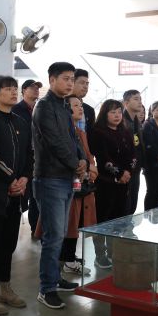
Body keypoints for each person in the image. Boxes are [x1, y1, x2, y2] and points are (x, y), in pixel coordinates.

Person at [33, 62, 86, 310]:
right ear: (52, 80)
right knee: (53, 236)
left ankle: (55, 278)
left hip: (65, 177)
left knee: (60, 232)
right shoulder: (43, 107)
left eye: (72, 79)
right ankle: (46, 289)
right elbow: (54, 141)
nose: (69, 83)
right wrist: (76, 163)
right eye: (65, 78)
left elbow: (72, 137)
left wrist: (82, 159)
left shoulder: (64, 105)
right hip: (50, 178)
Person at [0, 75, 33, 316]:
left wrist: (24, 179)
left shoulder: (20, 121)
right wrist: (11, 179)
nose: (13, 92)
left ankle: (5, 288)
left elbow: (30, 154)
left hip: (17, 193)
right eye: (7, 89)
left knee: (8, 244)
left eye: (15, 89)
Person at [90, 99, 135, 268]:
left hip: (124, 182)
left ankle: (113, 252)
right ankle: (100, 255)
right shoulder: (98, 132)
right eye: (112, 112)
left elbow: (133, 155)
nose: (117, 115)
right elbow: (103, 158)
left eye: (119, 112)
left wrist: (128, 172)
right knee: (103, 219)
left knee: (119, 218)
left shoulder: (125, 131)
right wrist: (120, 173)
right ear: (104, 114)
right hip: (105, 182)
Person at [58, 95, 98, 276]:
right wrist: (85, 168)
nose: (81, 108)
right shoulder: (62, 131)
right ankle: (67, 260)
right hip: (68, 182)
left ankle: (69, 257)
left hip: (82, 183)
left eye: (81, 105)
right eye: (76, 105)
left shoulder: (80, 131)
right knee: (69, 223)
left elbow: (88, 155)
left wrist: (91, 169)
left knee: (76, 222)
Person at [12, 78, 42, 239]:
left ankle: (35, 228)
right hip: (22, 158)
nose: (36, 90)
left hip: (38, 157)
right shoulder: (16, 110)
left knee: (36, 195)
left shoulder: (39, 109)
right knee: (24, 196)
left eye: (37, 88)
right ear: (23, 91)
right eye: (32, 87)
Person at [122, 90, 144, 214]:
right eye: (136, 99)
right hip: (125, 169)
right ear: (126, 103)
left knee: (133, 203)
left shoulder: (137, 121)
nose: (140, 102)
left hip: (136, 168)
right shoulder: (122, 121)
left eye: (140, 99)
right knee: (125, 204)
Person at [73, 69, 96, 138]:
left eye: (87, 83)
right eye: (82, 83)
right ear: (72, 83)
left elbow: (91, 137)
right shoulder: (62, 106)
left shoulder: (90, 110)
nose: (85, 86)